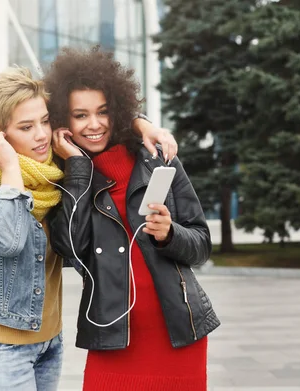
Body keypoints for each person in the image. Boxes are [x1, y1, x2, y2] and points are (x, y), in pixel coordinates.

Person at [0, 66, 180, 391]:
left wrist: (143, 123)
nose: (42, 134)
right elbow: (8, 239)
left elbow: (95, 113)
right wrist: (11, 169)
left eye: (44, 121)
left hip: (48, 343)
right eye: (26, 127)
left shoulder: (50, 173)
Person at [45, 46, 220, 391]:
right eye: (80, 115)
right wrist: (78, 169)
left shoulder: (157, 158)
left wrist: (170, 234)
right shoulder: (63, 174)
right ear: (63, 122)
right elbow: (70, 248)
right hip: (113, 337)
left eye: (103, 112)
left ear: (119, 111)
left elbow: (201, 245)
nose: (94, 125)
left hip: (178, 334)